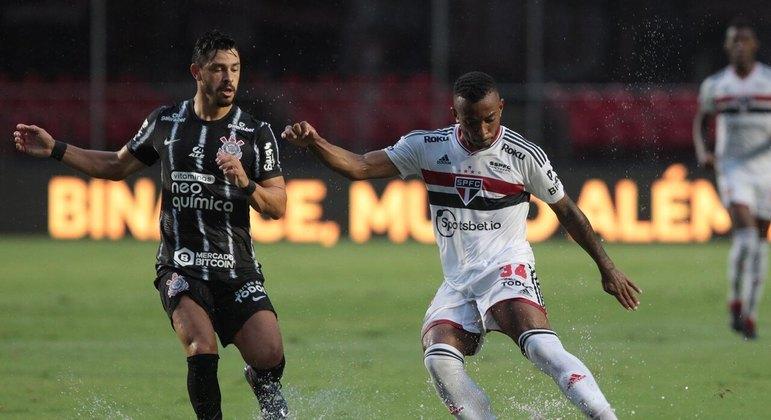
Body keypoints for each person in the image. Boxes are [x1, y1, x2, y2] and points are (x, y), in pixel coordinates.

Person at [282, 71, 641, 419]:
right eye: (471, 122)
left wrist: (607, 267)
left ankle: (604, 415)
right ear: (455, 114)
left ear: (500, 108)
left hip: (506, 267)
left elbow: (569, 212)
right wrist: (316, 142)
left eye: (489, 119)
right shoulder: (426, 146)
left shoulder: (523, 156)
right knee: (438, 357)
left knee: (541, 347)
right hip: (457, 281)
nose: (482, 130)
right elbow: (359, 167)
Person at [12, 30, 289, 419]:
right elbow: (115, 165)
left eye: (235, 69)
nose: (228, 78)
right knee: (200, 346)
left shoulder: (255, 133)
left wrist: (245, 183)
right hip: (181, 264)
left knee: (269, 354)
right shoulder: (165, 122)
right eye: (218, 69)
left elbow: (278, 206)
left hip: (236, 268)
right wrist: (57, 148)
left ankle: (265, 388)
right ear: (196, 72)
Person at [693, 19, 771, 340]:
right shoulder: (715, 85)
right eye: (734, 41)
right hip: (733, 168)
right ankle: (736, 298)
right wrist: (703, 152)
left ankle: (749, 312)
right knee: (748, 236)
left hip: (766, 170)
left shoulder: (768, 81)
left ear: (754, 46)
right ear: (727, 47)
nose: (739, 46)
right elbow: (701, 122)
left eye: (745, 40)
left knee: (761, 241)